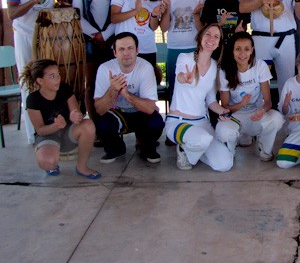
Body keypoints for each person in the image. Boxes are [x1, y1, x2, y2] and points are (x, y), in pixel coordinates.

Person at [7, 0, 68, 143]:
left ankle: (56, 127)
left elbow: (62, 0)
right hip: (24, 34)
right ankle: (33, 134)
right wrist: (34, 1)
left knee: (52, 80)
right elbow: (12, 13)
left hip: (48, 36)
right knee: (29, 82)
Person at [163, 24, 233, 171]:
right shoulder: (185, 58)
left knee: (225, 164)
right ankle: (183, 149)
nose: (211, 39)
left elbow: (211, 101)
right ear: (200, 36)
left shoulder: (215, 67)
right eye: (208, 34)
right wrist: (185, 78)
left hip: (202, 122)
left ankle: (194, 150)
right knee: (202, 139)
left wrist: (223, 112)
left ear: (219, 43)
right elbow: (180, 76)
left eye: (216, 36)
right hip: (178, 121)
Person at [72, 0, 126, 120]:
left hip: (114, 40)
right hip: (89, 41)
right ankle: (95, 125)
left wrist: (106, 34)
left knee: (116, 82)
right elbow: (77, 14)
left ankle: (114, 123)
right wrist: (94, 33)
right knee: (92, 83)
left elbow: (122, 13)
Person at [22, 59, 100, 179]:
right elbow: (40, 131)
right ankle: (51, 161)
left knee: (88, 125)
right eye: (52, 76)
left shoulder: (64, 89)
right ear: (40, 80)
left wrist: (75, 116)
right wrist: (56, 125)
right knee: (48, 162)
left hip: (68, 133)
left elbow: (76, 113)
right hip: (48, 136)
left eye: (58, 74)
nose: (58, 78)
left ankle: (82, 166)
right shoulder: (33, 100)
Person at [94, 32, 164, 164]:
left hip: (141, 113)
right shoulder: (105, 69)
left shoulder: (145, 67)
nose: (126, 53)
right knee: (102, 123)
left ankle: (146, 147)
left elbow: (149, 108)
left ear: (137, 51)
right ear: (115, 52)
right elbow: (99, 109)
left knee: (156, 122)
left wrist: (126, 94)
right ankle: (116, 149)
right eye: (121, 49)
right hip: (118, 113)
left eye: (130, 48)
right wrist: (113, 90)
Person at [215, 32, 285, 161]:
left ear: (252, 50)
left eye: (247, 49)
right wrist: (242, 104)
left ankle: (264, 149)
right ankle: (233, 146)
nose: (242, 54)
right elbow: (225, 106)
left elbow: (268, 101)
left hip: (255, 116)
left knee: (276, 118)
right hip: (236, 117)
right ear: (232, 50)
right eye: (238, 49)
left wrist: (262, 110)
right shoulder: (224, 70)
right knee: (223, 132)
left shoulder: (260, 65)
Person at [110, 0, 167, 71]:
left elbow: (153, 27)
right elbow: (114, 18)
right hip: (124, 50)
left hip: (147, 49)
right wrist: (135, 11)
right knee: (122, 85)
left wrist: (154, 15)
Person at [160, 0, 203, 97]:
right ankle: (174, 115)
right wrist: (167, 7)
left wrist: (196, 16)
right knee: (174, 87)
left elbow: (203, 31)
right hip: (174, 49)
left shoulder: (201, 0)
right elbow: (163, 28)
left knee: (195, 86)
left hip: (194, 49)